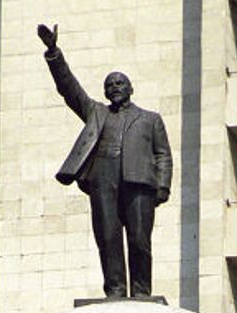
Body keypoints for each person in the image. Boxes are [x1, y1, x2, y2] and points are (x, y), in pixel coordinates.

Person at [38, 23, 172, 298]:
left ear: (131, 88)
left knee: (139, 240)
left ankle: (141, 292)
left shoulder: (150, 119)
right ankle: (115, 291)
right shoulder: (96, 113)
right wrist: (53, 52)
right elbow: (69, 90)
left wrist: (163, 186)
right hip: (103, 179)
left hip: (139, 182)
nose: (114, 88)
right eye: (109, 85)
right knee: (108, 238)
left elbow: (163, 154)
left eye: (119, 83)